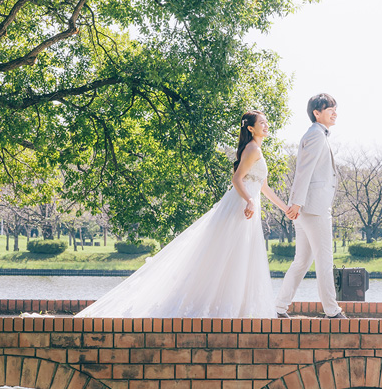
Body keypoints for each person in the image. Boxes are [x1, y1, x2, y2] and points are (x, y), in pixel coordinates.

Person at [76, 110, 289, 318]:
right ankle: (219, 307)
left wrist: (285, 208)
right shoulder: (253, 149)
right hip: (241, 206)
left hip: (248, 206)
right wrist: (249, 200)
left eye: (266, 122)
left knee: (238, 256)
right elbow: (237, 179)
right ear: (251, 128)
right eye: (262, 123)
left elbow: (264, 187)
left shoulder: (256, 150)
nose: (266, 125)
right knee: (229, 253)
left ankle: (232, 308)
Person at [274, 93, 347, 319]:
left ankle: (280, 307)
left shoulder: (316, 134)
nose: (335, 114)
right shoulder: (316, 134)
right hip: (313, 208)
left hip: (306, 207)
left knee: (301, 262)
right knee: (324, 260)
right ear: (317, 113)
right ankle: (332, 311)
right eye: (330, 110)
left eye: (335, 109)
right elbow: (304, 170)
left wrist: (297, 204)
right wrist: (297, 203)